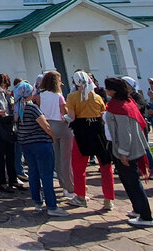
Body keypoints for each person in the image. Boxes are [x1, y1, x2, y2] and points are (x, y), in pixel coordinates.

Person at [102, 77, 153, 227]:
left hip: (125, 149)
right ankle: (138, 209)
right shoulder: (126, 102)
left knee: (132, 182)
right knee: (128, 181)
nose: (106, 91)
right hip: (126, 147)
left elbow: (125, 132)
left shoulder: (119, 107)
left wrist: (123, 152)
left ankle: (146, 216)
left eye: (108, 88)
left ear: (114, 90)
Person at [13, 80, 66, 216]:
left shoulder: (17, 109)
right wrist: (53, 137)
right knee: (46, 175)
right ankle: (52, 206)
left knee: (33, 173)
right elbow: (45, 125)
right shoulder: (31, 108)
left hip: (26, 144)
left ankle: (37, 201)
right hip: (40, 143)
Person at [66, 70, 115, 209]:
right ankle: (108, 199)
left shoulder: (72, 97)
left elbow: (72, 117)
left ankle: (81, 196)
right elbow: (102, 114)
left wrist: (63, 118)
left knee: (79, 166)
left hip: (82, 131)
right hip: (98, 131)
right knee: (105, 166)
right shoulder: (97, 97)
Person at [39, 71, 74, 199]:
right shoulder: (58, 96)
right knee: (65, 159)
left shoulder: (40, 95)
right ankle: (68, 187)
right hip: (61, 125)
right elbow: (65, 113)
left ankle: (61, 184)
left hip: (47, 126)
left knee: (55, 158)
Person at [0, 73, 22, 192]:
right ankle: (2, 182)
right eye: (1, 85)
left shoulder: (7, 95)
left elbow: (11, 106)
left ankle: (13, 179)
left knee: (11, 155)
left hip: (8, 126)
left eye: (5, 85)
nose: (3, 87)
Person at [121, 76, 153, 179]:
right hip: (130, 125)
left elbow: (140, 106)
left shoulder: (137, 96)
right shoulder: (125, 97)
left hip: (140, 125)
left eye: (126, 86)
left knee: (144, 148)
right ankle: (139, 169)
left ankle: (152, 170)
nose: (125, 88)